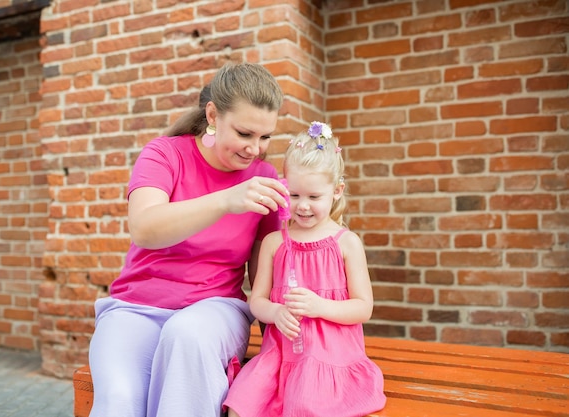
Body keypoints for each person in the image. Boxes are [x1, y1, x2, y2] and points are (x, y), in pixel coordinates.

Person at [87, 62, 288, 417]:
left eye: (265, 137)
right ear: (213, 115)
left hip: (215, 310)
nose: (255, 149)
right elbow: (145, 229)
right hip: (137, 307)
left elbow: (265, 275)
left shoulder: (264, 178)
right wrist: (226, 200)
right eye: (244, 134)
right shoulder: (164, 154)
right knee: (119, 400)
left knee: (187, 335)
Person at [223, 121, 387, 417]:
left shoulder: (346, 243)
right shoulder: (275, 242)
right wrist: (274, 312)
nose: (303, 206)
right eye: (295, 195)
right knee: (239, 406)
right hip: (280, 356)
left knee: (304, 406)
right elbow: (256, 300)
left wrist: (319, 305)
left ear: (336, 191)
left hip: (328, 356)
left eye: (314, 197)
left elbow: (364, 308)